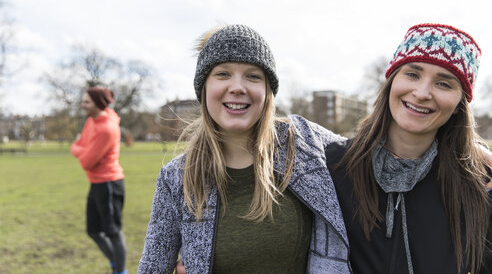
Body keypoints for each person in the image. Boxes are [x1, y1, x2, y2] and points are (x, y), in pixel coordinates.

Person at [137, 24, 352, 273]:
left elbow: (374, 154)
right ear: (204, 86)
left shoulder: (304, 144)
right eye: (223, 74)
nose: (238, 87)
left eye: (253, 76)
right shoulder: (177, 178)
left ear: (267, 92)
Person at [325, 24, 492, 273]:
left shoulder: (478, 185)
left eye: (444, 84)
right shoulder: (333, 165)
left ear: (460, 103)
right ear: (392, 81)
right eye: (413, 74)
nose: (422, 93)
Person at [71, 87, 127, 274]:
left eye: (87, 101)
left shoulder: (106, 129)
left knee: (113, 232)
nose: (82, 105)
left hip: (109, 184)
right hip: (96, 184)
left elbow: (86, 160)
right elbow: (80, 147)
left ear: (98, 103)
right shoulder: (92, 121)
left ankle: (120, 271)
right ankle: (115, 263)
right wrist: (80, 148)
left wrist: (79, 148)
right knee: (93, 231)